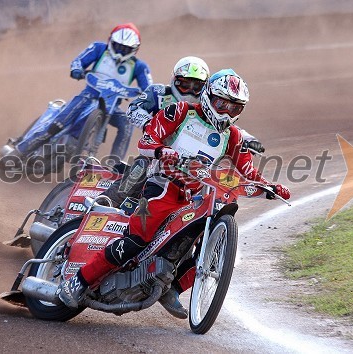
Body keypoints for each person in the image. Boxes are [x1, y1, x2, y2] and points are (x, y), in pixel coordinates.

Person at [56, 69, 291, 319]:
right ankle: (79, 280)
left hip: (194, 198)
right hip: (163, 185)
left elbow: (247, 171)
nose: (226, 112)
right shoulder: (180, 112)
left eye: (234, 108)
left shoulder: (232, 135)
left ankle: (172, 289)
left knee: (204, 248)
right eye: (221, 103)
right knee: (136, 240)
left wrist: (271, 187)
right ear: (208, 96)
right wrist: (161, 151)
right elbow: (147, 140)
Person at [102, 56, 265, 208]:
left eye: (197, 87)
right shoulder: (158, 93)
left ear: (206, 88)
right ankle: (108, 200)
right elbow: (134, 108)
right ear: (174, 80)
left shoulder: (209, 107)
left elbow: (229, 129)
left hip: (193, 163)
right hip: (158, 153)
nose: (189, 91)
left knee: (213, 179)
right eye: (185, 84)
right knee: (142, 164)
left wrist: (249, 139)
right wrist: (150, 125)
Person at [14, 23, 153, 161]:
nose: (121, 51)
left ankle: (115, 166)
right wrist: (77, 70)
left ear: (135, 49)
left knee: (127, 123)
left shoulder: (140, 67)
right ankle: (21, 151)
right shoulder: (98, 49)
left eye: (126, 49)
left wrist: (148, 98)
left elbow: (149, 89)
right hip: (88, 96)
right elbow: (78, 61)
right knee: (60, 122)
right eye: (118, 46)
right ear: (110, 41)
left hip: (112, 106)